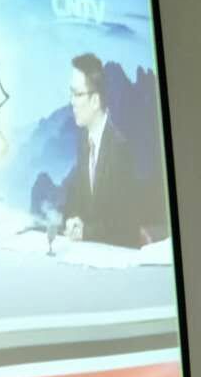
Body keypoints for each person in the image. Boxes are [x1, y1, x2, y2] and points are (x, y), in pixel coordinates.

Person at [61, 53, 145, 248]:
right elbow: (78, 203)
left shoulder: (121, 148)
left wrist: (86, 232)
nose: (72, 102)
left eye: (77, 94)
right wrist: (73, 220)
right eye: (71, 94)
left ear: (95, 101)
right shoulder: (84, 143)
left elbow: (126, 225)